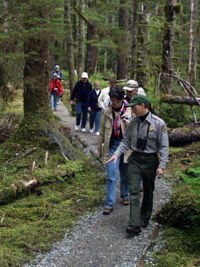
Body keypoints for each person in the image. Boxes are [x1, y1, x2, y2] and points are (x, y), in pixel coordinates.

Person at [106, 95, 169, 235]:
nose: (132, 110)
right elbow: (125, 142)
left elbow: (164, 147)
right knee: (133, 190)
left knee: (148, 190)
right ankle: (134, 224)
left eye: (134, 107)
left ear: (143, 105)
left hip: (150, 160)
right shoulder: (133, 123)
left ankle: (145, 216)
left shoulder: (159, 124)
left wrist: (162, 166)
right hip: (134, 159)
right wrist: (116, 154)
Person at [99, 86, 131, 215]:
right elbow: (102, 131)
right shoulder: (107, 112)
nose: (113, 103)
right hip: (112, 146)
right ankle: (109, 203)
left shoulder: (130, 110)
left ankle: (125, 195)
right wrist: (100, 150)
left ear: (121, 99)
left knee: (125, 173)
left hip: (126, 147)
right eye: (111, 100)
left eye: (115, 100)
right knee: (111, 175)